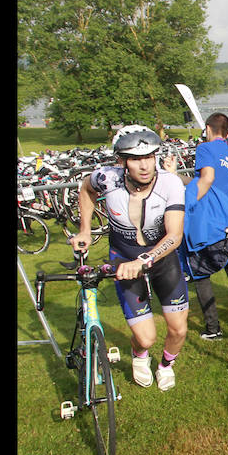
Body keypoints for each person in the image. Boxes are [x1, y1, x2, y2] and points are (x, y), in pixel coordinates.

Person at [71, 125, 188, 391]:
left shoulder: (170, 183)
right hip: (123, 260)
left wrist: (144, 260)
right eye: (136, 159)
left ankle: (166, 365)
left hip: (162, 261)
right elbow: (86, 190)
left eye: (150, 157)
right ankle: (139, 355)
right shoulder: (107, 178)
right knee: (145, 339)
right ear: (122, 161)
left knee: (178, 330)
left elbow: (174, 236)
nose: (145, 165)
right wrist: (85, 230)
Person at [188, 112, 228, 340]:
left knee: (200, 271)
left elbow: (207, 179)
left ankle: (213, 328)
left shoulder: (204, 148)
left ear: (207, 128)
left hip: (209, 216)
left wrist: (189, 203)